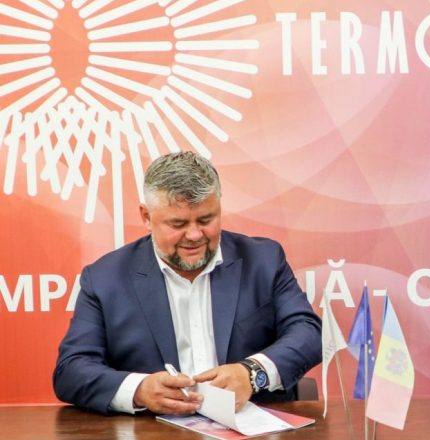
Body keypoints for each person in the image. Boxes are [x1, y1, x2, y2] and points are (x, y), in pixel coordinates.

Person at [53, 151, 321, 415]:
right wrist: (139, 390)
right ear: (146, 217)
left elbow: (308, 334)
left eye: (206, 220)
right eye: (178, 224)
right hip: (154, 435)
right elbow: (71, 370)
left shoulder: (263, 260)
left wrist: (252, 373)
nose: (194, 235)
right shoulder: (105, 278)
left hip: (255, 429)